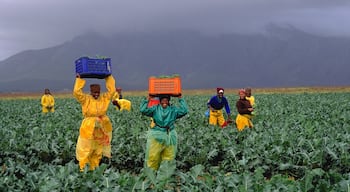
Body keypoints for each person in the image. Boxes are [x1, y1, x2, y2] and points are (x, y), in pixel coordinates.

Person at [73, 73, 116, 171]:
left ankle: (94, 169)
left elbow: (112, 91)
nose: (96, 94)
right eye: (94, 93)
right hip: (88, 127)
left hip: (101, 127)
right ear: (91, 92)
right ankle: (83, 169)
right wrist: (79, 79)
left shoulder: (104, 98)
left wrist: (108, 78)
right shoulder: (86, 99)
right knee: (86, 148)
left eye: (98, 92)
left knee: (98, 149)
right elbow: (76, 92)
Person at [140, 94, 188, 172]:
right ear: (160, 101)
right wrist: (147, 99)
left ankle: (165, 177)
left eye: (166, 100)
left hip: (170, 135)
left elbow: (184, 110)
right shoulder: (155, 109)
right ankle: (151, 176)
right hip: (156, 135)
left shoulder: (173, 110)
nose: (164, 102)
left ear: (169, 101)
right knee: (153, 156)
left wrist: (180, 99)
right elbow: (143, 110)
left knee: (169, 156)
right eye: (163, 100)